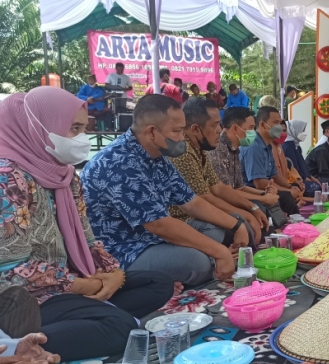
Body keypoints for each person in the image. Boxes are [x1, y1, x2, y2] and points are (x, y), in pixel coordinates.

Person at [0, 87, 174, 363]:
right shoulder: (8, 179)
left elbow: (89, 240)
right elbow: (13, 274)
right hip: (28, 299)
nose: (82, 138)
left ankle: (88, 316)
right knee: (121, 327)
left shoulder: (66, 177)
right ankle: (19, 347)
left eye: (84, 128)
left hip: (73, 283)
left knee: (159, 283)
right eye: (74, 129)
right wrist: (84, 286)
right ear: (39, 128)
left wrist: (114, 275)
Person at [82, 94, 242, 286]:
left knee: (217, 231)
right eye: (177, 131)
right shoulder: (118, 163)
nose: (183, 138)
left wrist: (237, 225)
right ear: (151, 132)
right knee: (197, 263)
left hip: (152, 238)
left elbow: (192, 202)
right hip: (123, 250)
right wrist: (219, 252)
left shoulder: (157, 157)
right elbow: (160, 225)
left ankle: (201, 262)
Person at [170, 98, 269, 244]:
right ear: (196, 129)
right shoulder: (183, 152)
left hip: (199, 212)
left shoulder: (199, 147)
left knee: (248, 219)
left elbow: (219, 187)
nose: (219, 130)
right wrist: (242, 217)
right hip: (184, 219)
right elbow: (204, 198)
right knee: (229, 231)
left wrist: (252, 208)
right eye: (215, 125)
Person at [208, 107, 280, 206]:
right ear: (235, 128)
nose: (253, 132)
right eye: (251, 128)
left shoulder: (234, 149)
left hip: (233, 198)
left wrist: (265, 193)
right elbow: (227, 192)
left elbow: (240, 187)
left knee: (273, 201)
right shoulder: (218, 150)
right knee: (260, 206)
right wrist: (263, 198)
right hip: (222, 204)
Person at [239, 106, 300, 215]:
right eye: (276, 122)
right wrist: (288, 191)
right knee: (286, 197)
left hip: (268, 190)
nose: (280, 127)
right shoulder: (254, 146)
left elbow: (274, 175)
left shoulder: (268, 146)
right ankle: (294, 228)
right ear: (262, 125)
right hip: (254, 193)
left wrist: (291, 187)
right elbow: (260, 183)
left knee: (293, 190)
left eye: (281, 123)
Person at [284, 120, 322, 197]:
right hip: (296, 181)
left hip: (304, 179)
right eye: (302, 130)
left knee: (320, 184)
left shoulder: (296, 146)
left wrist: (312, 178)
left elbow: (303, 166)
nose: (304, 133)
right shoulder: (288, 147)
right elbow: (294, 169)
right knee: (316, 188)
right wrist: (306, 179)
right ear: (294, 130)